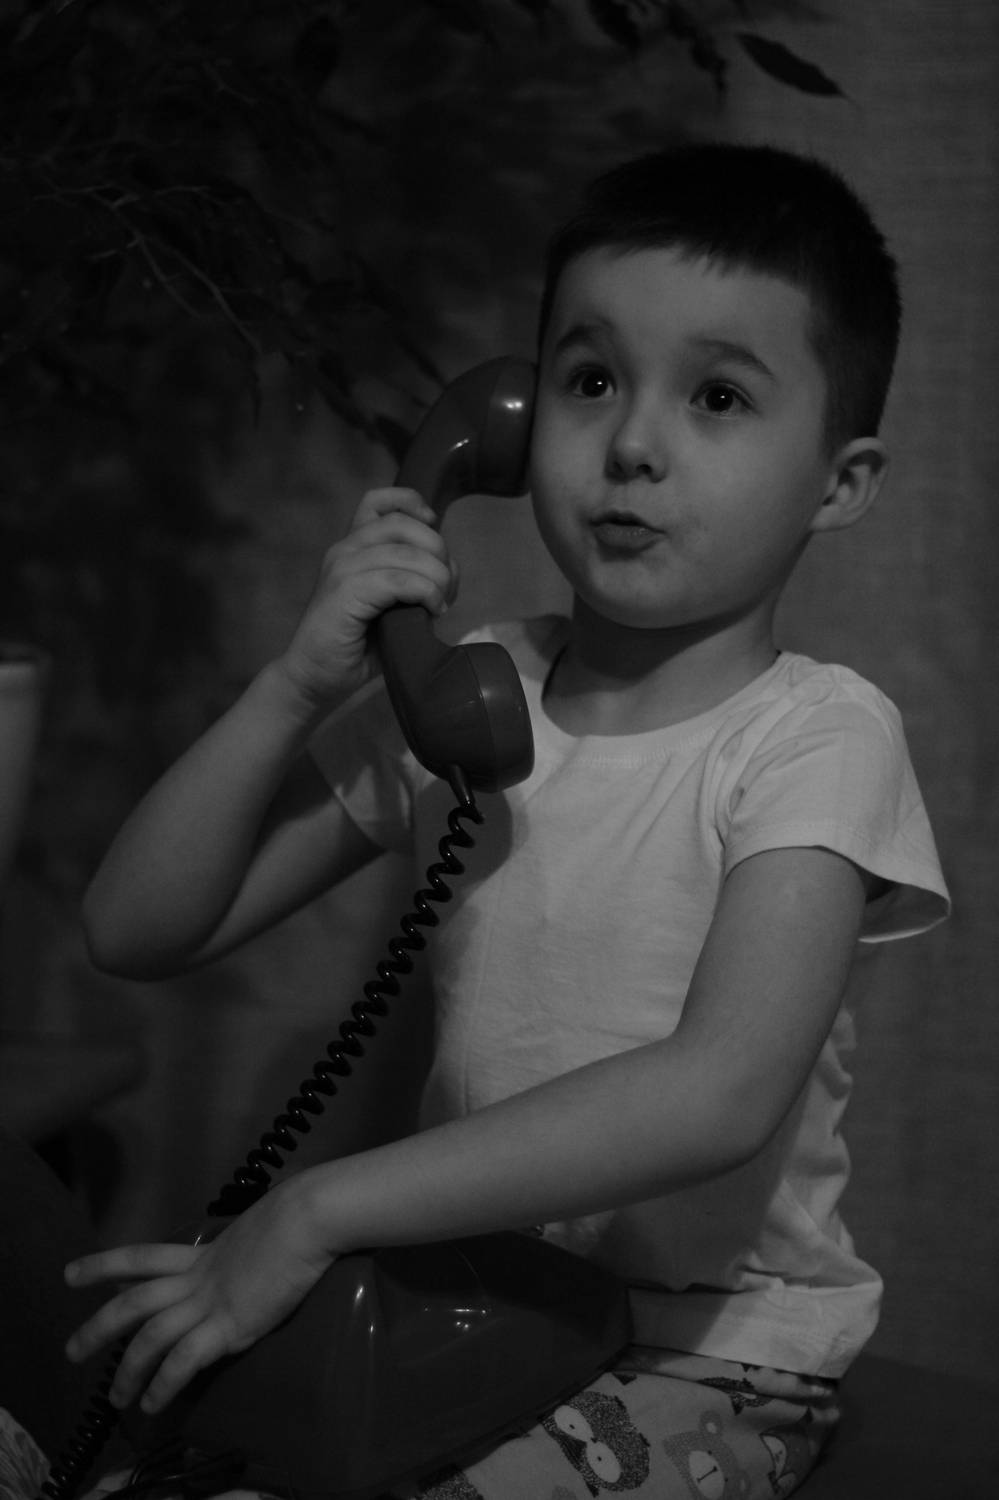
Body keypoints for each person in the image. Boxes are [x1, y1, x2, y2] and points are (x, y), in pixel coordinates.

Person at [65, 141, 949, 1498]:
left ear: (839, 483)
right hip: (480, 1305)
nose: (633, 444)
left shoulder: (817, 737)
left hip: (706, 1352)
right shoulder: (473, 693)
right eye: (591, 381)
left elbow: (718, 1092)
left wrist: (317, 1206)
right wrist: (296, 682)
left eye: (717, 396)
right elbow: (136, 928)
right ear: (514, 424)